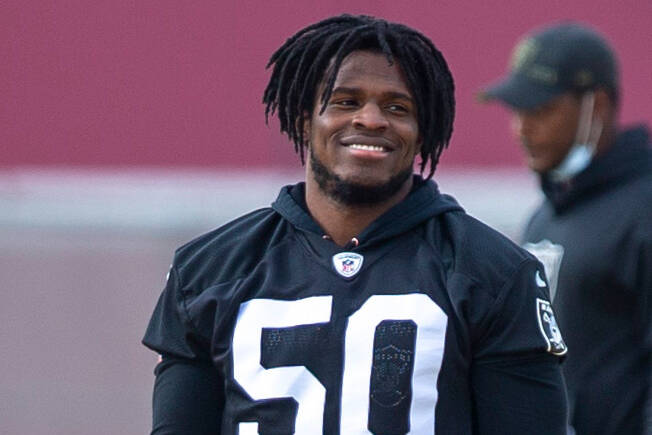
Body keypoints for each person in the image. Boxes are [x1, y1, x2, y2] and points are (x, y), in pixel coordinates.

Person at [143, 14, 568, 434]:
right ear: (303, 119)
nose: (370, 120)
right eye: (346, 101)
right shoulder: (207, 271)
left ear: (422, 132)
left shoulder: (494, 272)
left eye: (397, 107)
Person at [480, 22, 651, 435]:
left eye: (540, 110)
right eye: (517, 112)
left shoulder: (643, 210)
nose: (521, 128)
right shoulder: (546, 213)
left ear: (599, 104)